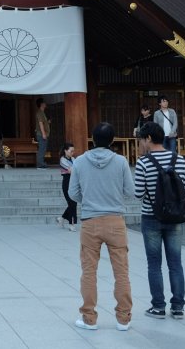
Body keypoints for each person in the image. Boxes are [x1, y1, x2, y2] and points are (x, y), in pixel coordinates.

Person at [69, 122, 134, 332]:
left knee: (89, 271)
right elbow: (130, 191)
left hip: (90, 221)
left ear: (92, 139)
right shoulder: (121, 161)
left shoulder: (79, 161)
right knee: (121, 272)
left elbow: (73, 193)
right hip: (115, 220)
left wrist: (88, 199)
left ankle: (89, 318)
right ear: (112, 141)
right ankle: (123, 319)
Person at [134, 121, 185, 320]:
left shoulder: (143, 162)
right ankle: (178, 307)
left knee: (154, 264)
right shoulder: (179, 160)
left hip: (151, 217)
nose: (141, 144)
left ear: (148, 139)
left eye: (142, 139)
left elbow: (138, 193)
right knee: (175, 263)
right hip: (175, 218)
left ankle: (158, 306)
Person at [56, 142, 77, 230]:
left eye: (73, 151)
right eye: (71, 151)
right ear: (65, 151)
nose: (72, 153)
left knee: (73, 203)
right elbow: (71, 170)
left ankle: (62, 218)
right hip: (67, 182)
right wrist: (73, 170)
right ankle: (72, 224)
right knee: (72, 203)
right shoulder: (62, 160)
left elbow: (76, 169)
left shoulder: (73, 159)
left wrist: (74, 170)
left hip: (74, 182)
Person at [35, 98, 50, 169]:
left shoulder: (42, 112)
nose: (45, 104)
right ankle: (40, 165)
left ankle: (41, 164)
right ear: (41, 104)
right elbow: (40, 124)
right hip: (41, 134)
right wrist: (43, 134)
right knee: (42, 149)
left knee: (43, 149)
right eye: (44, 102)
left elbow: (43, 123)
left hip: (43, 134)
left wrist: (48, 122)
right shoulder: (40, 112)